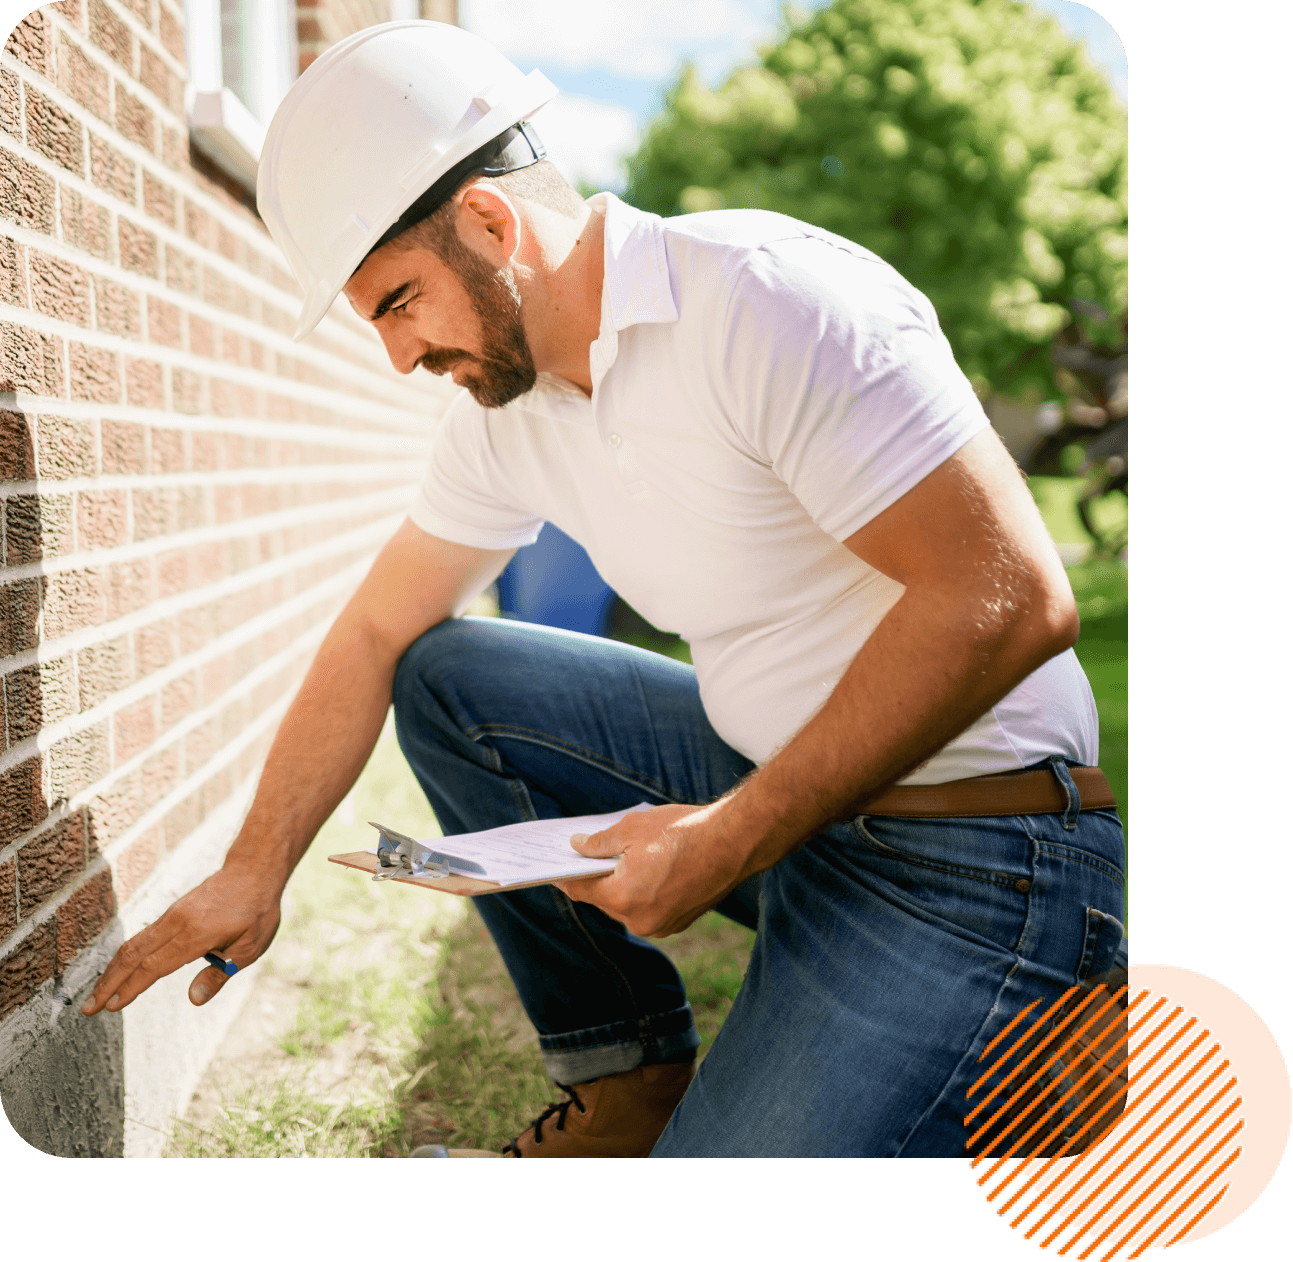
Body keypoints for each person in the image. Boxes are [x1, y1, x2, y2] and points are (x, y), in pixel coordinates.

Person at [81, 22, 1126, 1158]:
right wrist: (254, 865)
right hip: (792, 809)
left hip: (983, 858)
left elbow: (1012, 594)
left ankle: (1055, 1039)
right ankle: (630, 1079)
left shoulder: (767, 300)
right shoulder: (509, 411)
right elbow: (379, 624)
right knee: (447, 674)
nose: (399, 355)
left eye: (399, 303)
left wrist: (733, 833)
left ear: (489, 221)